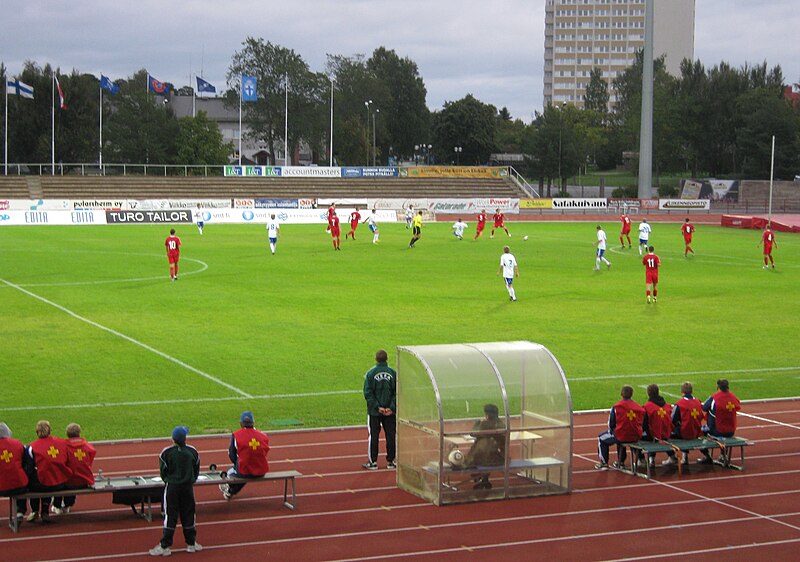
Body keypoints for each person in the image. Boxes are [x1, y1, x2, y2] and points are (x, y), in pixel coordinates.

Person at [149, 426, 202, 556]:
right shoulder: (192, 451)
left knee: (170, 515)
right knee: (189, 513)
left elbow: (163, 472)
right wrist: (190, 479)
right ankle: (191, 543)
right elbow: (196, 469)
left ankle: (165, 545)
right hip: (187, 487)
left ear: (173, 439)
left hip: (172, 487)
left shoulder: (166, 453)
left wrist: (169, 479)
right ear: (185, 439)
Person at [24, 420, 72, 522]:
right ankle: (45, 511)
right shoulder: (61, 443)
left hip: (42, 484)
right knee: (47, 478)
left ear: (36, 432)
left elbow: (29, 468)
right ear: (50, 430)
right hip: (60, 483)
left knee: (35, 481)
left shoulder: (31, 447)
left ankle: (35, 510)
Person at [219, 412, 270, 500]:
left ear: (241, 423)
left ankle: (230, 490)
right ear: (253, 422)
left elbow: (232, 455)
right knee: (244, 467)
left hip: (244, 471)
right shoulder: (263, 435)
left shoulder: (237, 435)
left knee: (232, 472)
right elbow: (264, 452)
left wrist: (237, 463)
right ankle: (230, 491)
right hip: (261, 471)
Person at [362, 349, 397, 470]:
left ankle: (373, 462)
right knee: (391, 436)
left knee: (374, 436)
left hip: (374, 412)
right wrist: (391, 408)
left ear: (376, 359)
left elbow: (367, 393)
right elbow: (398, 392)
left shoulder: (370, 373)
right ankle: (391, 461)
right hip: (390, 413)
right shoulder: (393, 373)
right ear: (387, 359)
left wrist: (378, 407)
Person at [595, 385, 645, 470]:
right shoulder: (639, 408)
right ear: (632, 394)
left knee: (602, 438)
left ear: (621, 394)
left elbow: (611, 424)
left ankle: (604, 463)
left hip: (622, 435)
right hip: (636, 435)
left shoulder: (617, 407)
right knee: (621, 435)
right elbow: (642, 422)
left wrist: (613, 431)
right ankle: (621, 461)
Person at [51, 423, 96, 515]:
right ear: (79, 433)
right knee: (74, 476)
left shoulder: (64, 447)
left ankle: (57, 505)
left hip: (68, 482)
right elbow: (91, 457)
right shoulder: (87, 446)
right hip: (84, 480)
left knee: (60, 478)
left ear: (67, 434)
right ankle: (68, 504)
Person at [698, 379, 741, 464]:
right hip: (731, 431)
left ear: (717, 387)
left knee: (699, 432)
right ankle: (723, 454)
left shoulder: (714, 398)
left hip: (716, 430)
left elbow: (704, 407)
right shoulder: (733, 397)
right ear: (728, 387)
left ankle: (707, 455)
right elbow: (737, 407)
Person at [464, 404, 506, 490]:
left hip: (481, 459)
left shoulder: (483, 424)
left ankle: (478, 477)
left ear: (487, 414)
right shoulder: (501, 424)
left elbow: (473, 433)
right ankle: (484, 478)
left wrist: (478, 423)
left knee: (471, 456)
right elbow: (503, 443)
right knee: (485, 450)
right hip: (496, 458)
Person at [663, 382, 705, 466]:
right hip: (697, 431)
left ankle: (672, 457)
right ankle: (706, 455)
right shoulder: (698, 402)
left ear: (682, 392)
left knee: (664, 434)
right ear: (692, 392)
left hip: (684, 432)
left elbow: (672, 420)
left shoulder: (679, 404)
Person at [0, 423, 29, 527]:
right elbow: (26, 463)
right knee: (22, 478)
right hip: (19, 485)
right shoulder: (17, 444)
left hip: (1, 487)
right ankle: (20, 511)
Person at [641, 385, 672, 468]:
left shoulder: (647, 407)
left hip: (653, 436)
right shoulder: (667, 405)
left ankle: (644, 459)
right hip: (667, 433)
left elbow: (644, 424)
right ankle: (672, 456)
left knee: (636, 437)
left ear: (648, 394)